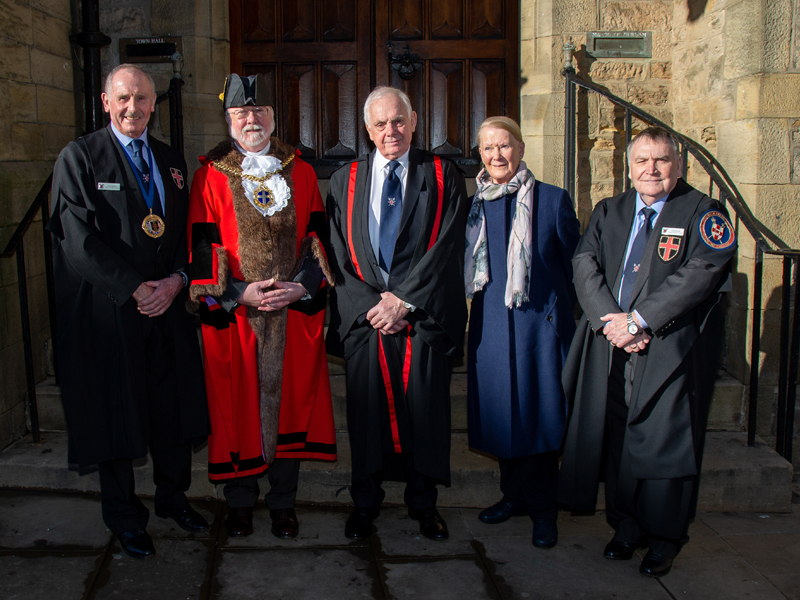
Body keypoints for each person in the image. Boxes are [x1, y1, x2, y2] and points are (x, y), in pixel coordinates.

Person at [557, 126, 737, 577]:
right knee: (619, 439)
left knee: (664, 445)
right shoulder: (610, 210)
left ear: (678, 165)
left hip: (671, 350)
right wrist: (611, 322)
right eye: (641, 160)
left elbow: (702, 271)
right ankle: (626, 526)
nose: (651, 170)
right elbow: (584, 263)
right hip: (614, 346)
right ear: (629, 166)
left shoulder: (704, 213)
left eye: (661, 160)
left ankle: (664, 538)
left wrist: (640, 321)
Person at [48, 64, 210, 559]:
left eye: (141, 98)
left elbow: (185, 234)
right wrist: (134, 288)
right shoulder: (80, 157)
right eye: (123, 98)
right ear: (105, 101)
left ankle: (173, 498)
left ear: (154, 103)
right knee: (116, 416)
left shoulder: (171, 161)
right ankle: (124, 517)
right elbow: (77, 239)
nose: (132, 107)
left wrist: (178, 280)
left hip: (168, 309)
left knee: (172, 411)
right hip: (113, 314)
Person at [186, 73, 337, 540]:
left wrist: (302, 287)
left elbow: (318, 238)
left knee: (291, 403)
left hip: (292, 311)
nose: (251, 119)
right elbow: (201, 245)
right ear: (228, 119)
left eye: (259, 111)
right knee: (237, 406)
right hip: (237, 315)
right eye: (241, 112)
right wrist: (236, 293)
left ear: (272, 116)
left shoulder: (302, 172)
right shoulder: (210, 174)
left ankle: (283, 503)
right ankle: (239, 503)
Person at [325, 86, 469, 541]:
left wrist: (403, 301)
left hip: (421, 317)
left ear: (414, 121)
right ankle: (364, 503)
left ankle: (424, 504)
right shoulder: (344, 180)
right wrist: (374, 305)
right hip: (367, 319)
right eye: (381, 123)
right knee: (366, 417)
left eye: (399, 120)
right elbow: (337, 254)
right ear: (367, 130)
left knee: (425, 414)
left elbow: (447, 246)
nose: (392, 131)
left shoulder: (443, 175)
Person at [464, 117, 580, 549]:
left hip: (540, 329)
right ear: (480, 154)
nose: (497, 155)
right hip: (492, 327)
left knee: (540, 415)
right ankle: (512, 497)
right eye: (488, 148)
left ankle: (544, 509)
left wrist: (562, 319)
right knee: (500, 412)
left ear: (521, 148)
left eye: (505, 146)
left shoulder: (552, 199)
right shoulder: (474, 206)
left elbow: (574, 266)